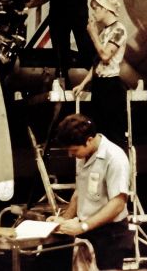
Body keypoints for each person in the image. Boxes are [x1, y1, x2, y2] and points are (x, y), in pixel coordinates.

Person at [47, 113, 132, 270]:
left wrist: (83, 226)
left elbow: (118, 203)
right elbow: (80, 191)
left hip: (110, 234)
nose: (71, 155)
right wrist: (64, 220)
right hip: (87, 230)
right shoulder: (82, 155)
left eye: (74, 150)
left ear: (89, 140)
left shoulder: (114, 157)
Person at [7, 0, 95, 88]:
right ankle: (63, 81)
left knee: (83, 41)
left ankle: (99, 79)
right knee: (59, 45)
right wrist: (27, 5)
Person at [72, 0, 129, 152]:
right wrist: (83, 83)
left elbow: (105, 55)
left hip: (111, 85)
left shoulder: (119, 30)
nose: (94, 12)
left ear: (106, 9)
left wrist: (93, 34)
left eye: (97, 8)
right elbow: (97, 64)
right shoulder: (105, 32)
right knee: (99, 131)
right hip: (99, 85)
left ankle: (119, 170)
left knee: (114, 133)